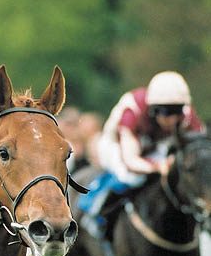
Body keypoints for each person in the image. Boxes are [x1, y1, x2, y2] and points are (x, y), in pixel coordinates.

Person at [79, 71, 205, 240]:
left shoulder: (187, 113)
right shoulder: (133, 111)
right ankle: (96, 212)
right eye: (165, 112)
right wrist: (158, 166)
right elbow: (131, 161)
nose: (173, 119)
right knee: (131, 177)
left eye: (176, 111)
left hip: (151, 145)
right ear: (153, 110)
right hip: (116, 145)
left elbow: (201, 146)